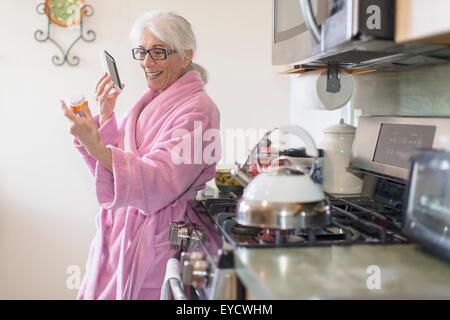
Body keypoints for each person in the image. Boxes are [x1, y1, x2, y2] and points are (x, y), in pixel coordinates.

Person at [60, 11, 221, 300]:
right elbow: (118, 163)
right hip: (121, 234)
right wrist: (106, 118)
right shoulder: (149, 101)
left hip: (157, 240)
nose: (147, 62)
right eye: (142, 52)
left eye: (158, 52)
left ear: (186, 56)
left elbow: (159, 179)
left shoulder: (198, 111)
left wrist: (96, 144)